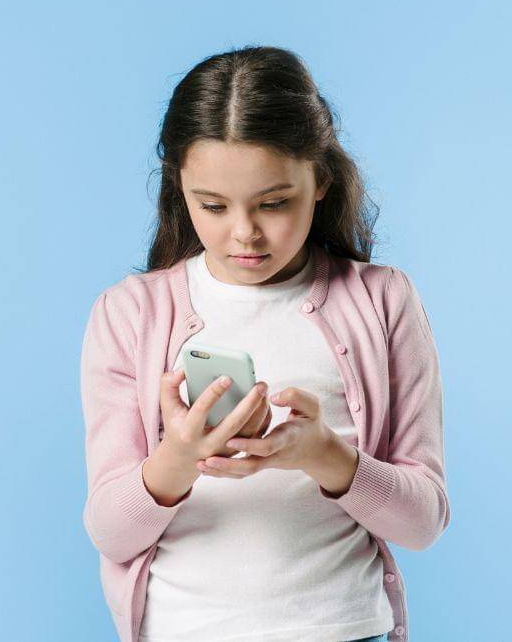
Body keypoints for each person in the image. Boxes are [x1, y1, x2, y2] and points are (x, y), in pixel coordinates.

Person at [79, 46, 450, 642]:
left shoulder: (383, 301)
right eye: (212, 206)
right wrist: (179, 457)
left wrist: (325, 455)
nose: (245, 232)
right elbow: (110, 533)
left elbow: (423, 522)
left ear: (321, 179)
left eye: (274, 203)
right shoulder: (130, 314)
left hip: (343, 630)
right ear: (180, 188)